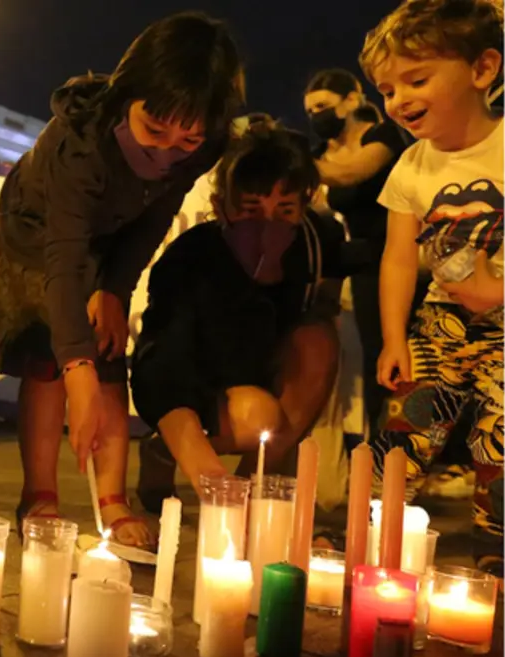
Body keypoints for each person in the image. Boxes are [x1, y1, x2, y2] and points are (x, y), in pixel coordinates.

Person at [0, 11, 244, 548]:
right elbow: (62, 253)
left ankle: (112, 500)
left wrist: (115, 291)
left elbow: (155, 215)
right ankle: (40, 496)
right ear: (129, 92)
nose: (167, 149)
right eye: (154, 129)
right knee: (47, 351)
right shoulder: (80, 143)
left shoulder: (204, 143)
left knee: (106, 346)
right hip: (39, 231)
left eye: (187, 139)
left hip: (111, 237)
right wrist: (73, 367)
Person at [360, 0, 505, 577]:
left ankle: (497, 557)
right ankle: (374, 534)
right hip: (440, 325)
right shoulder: (411, 168)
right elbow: (398, 258)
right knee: (408, 426)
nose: (399, 101)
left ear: (482, 68)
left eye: (416, 80)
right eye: (388, 90)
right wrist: (394, 338)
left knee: (501, 441)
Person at [131, 119, 351, 495]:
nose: (268, 226)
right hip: (194, 386)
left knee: (318, 338)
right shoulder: (190, 259)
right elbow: (163, 367)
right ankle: (166, 451)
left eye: (284, 211)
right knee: (257, 415)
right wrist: (207, 476)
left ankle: (257, 489)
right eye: (251, 211)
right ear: (221, 208)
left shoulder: (312, 245)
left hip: (259, 375)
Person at [303, 69, 412, 435]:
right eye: (309, 110)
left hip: (399, 254)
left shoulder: (383, 137)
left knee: (401, 354)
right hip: (363, 260)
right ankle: (381, 448)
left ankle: (423, 449)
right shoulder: (324, 154)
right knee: (371, 356)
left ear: (352, 100)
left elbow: (351, 174)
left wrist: (298, 159)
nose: (316, 115)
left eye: (322, 106)